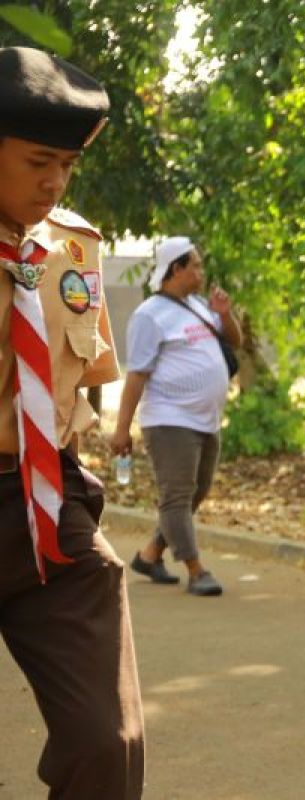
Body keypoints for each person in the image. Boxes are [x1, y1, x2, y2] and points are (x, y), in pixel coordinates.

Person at [0, 46, 144, 798]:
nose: (54, 181)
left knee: (104, 741)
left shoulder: (72, 246)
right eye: (36, 162)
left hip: (44, 507)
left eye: (67, 165)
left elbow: (80, 379)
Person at [110, 237, 241, 597]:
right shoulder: (149, 315)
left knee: (196, 493)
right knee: (176, 497)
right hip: (169, 420)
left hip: (206, 419)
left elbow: (236, 340)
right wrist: (122, 428)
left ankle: (150, 554)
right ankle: (196, 569)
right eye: (195, 265)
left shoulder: (198, 306)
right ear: (177, 269)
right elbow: (136, 374)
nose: (201, 271)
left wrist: (224, 312)